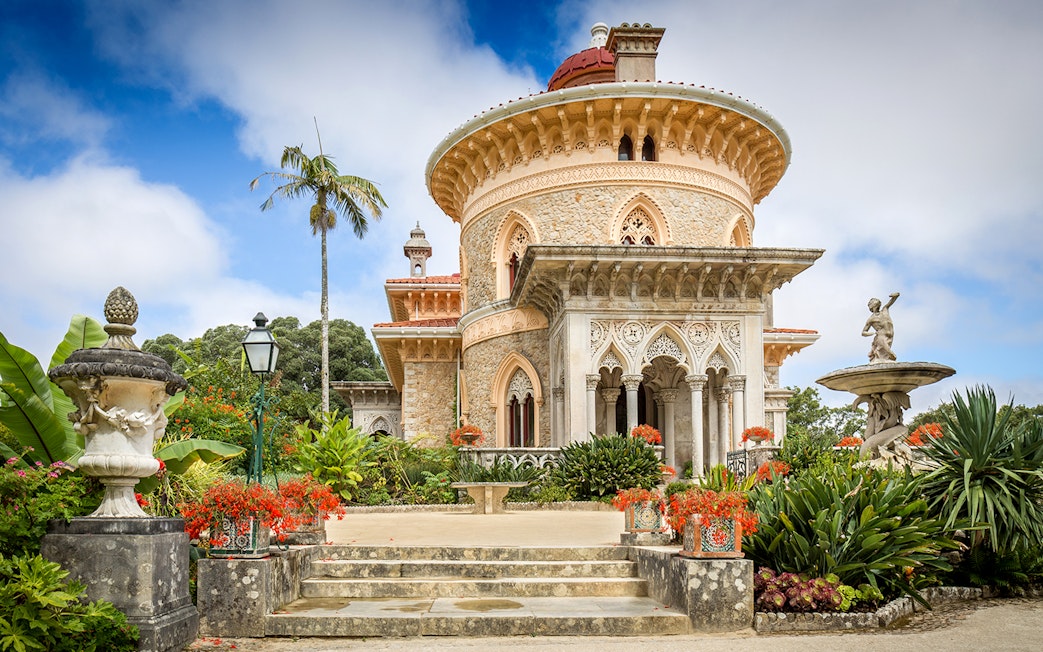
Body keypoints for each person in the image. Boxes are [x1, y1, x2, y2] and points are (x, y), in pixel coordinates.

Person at [862, 292, 899, 363]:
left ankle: (885, 358)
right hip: (881, 335)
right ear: (872, 306)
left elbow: (891, 301)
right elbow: (863, 332)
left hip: (889, 335)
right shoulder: (871, 319)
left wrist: (895, 295)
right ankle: (889, 356)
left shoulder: (885, 310)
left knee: (884, 353)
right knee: (887, 352)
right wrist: (872, 333)